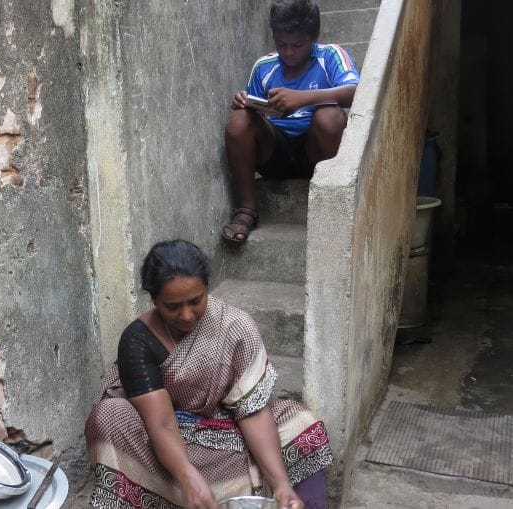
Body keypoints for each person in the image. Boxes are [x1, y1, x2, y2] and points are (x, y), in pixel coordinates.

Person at [85, 240, 333, 509]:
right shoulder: (137, 341)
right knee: (108, 416)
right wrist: (187, 476)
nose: (187, 315)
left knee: (300, 421)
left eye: (195, 301)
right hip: (167, 446)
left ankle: (290, 501)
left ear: (207, 288)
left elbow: (252, 411)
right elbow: (161, 425)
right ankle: (188, 492)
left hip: (228, 433)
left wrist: (282, 484)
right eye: (173, 306)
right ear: (154, 299)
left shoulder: (235, 326)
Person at [222, 0, 360, 243]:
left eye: (297, 45)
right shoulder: (264, 66)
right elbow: (253, 112)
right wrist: (244, 102)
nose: (288, 52)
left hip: (317, 154)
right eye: (281, 44)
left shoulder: (330, 56)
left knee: (329, 116)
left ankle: (331, 203)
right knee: (238, 120)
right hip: (276, 154)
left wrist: (302, 99)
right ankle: (247, 209)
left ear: (314, 36)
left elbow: (357, 91)